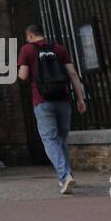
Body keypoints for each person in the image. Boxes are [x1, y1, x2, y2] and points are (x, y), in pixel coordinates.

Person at [18, 25, 87, 195]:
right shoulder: (59, 48)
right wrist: (80, 98)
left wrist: (18, 68)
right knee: (61, 139)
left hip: (42, 101)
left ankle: (65, 176)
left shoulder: (27, 49)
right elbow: (72, 73)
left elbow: (23, 76)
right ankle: (67, 173)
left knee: (49, 139)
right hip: (63, 99)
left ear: (29, 35)